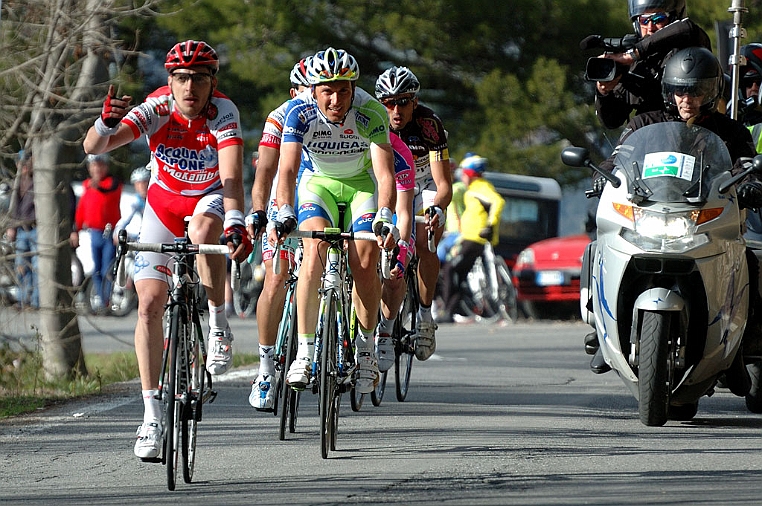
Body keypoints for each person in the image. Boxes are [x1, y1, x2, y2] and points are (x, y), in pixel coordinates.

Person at [82, 40, 251, 459]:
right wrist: (105, 125)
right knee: (148, 305)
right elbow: (94, 147)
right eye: (180, 78)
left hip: (210, 199)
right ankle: (152, 415)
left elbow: (231, 175)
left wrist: (235, 221)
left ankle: (217, 324)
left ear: (213, 82)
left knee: (202, 230)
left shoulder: (222, 112)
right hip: (164, 203)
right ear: (170, 82)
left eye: (198, 78)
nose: (189, 87)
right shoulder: (157, 107)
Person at [587, 47, 760, 373]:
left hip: (704, 220)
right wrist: (602, 176)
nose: (687, 98)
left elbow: (747, 165)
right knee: (598, 246)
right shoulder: (644, 125)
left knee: (750, 259)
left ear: (712, 91)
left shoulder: (732, 132)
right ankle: (601, 326)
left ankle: (743, 349)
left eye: (696, 90)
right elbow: (619, 159)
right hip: (652, 215)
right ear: (668, 90)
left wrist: (754, 182)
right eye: (680, 89)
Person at [270, 47, 397, 395]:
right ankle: (305, 352)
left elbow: (385, 176)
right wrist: (284, 210)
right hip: (318, 185)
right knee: (312, 251)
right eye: (328, 90)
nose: (337, 99)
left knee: (365, 261)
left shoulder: (370, 111)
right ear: (313, 90)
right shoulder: (298, 112)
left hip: (360, 187)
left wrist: (386, 216)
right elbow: (288, 169)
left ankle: (366, 348)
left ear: (354, 88)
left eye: (344, 90)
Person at [246, 57, 312, 411]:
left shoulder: (334, 114)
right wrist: (259, 211)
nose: (312, 96)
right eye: (306, 89)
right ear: (293, 92)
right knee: (275, 280)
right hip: (284, 206)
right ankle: (266, 368)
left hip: (322, 203)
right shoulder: (280, 117)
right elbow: (266, 172)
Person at [374, 65, 452, 361]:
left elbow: (444, 184)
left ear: (414, 102)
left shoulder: (429, 124)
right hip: (392, 185)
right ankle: (383, 324)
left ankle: (425, 315)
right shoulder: (374, 123)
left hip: (425, 182)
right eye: (389, 103)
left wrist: (437, 208)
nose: (396, 110)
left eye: (403, 102)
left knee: (425, 239)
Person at [593, 0, 711, 129]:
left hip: (694, 135)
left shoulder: (690, 46)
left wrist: (633, 54)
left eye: (658, 19)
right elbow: (612, 121)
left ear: (674, 17)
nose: (650, 27)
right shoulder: (637, 65)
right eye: (644, 20)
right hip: (650, 142)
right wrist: (604, 92)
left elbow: (687, 28)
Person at [438, 155, 504, 323]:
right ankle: (449, 311)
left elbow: (498, 202)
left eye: (464, 175)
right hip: (469, 237)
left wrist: (491, 223)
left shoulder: (479, 188)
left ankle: (447, 310)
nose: (463, 178)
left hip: (474, 238)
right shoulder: (476, 188)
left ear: (469, 174)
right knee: (459, 275)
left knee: (450, 270)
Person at [72, 153, 122, 314]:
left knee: (108, 267)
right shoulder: (87, 185)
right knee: (97, 269)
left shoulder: (113, 183)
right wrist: (76, 229)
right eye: (94, 166)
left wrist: (96, 186)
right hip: (94, 232)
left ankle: (106, 299)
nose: (97, 169)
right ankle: (100, 299)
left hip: (108, 231)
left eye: (100, 165)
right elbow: (81, 209)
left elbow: (110, 192)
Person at [5, 150, 38, 309]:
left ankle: (36, 301)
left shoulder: (38, 182)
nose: (24, 167)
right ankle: (23, 299)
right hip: (21, 230)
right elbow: (12, 208)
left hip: (35, 229)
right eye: (21, 163)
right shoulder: (16, 184)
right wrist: (11, 227)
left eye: (27, 163)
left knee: (37, 267)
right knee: (21, 266)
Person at [113, 164, 151, 241]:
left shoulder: (155, 199)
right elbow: (125, 219)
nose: (142, 187)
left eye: (144, 183)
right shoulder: (133, 201)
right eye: (138, 184)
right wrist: (117, 232)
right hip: (136, 236)